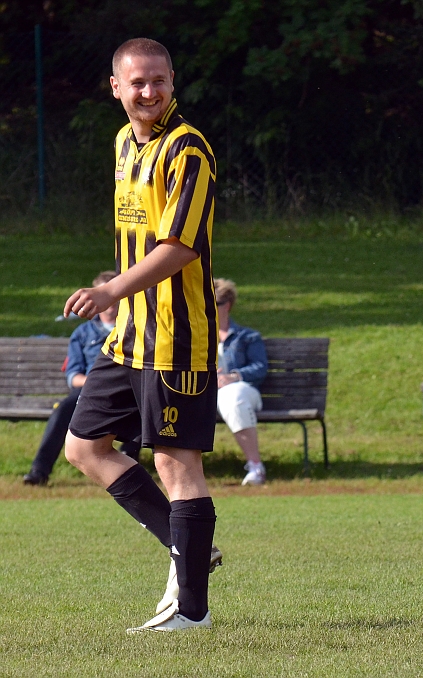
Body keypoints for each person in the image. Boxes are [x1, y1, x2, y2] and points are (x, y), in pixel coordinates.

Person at [62, 37, 220, 633]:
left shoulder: (189, 151)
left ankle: (192, 609)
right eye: (137, 83)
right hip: (127, 336)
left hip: (178, 338)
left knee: (178, 465)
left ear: (173, 81)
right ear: (116, 88)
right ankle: (191, 552)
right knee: (84, 448)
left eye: (159, 81)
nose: (149, 92)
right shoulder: (125, 142)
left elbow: (179, 248)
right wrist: (119, 304)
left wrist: (109, 291)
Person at [23, 272, 141, 485]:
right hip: (91, 390)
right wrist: (97, 383)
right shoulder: (83, 333)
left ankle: (129, 466)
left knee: (144, 403)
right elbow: (73, 376)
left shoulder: (135, 328)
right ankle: (38, 471)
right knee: (63, 409)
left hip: (129, 388)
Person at [213, 277, 269, 485]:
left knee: (233, 396)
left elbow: (259, 368)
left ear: (227, 305)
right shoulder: (196, 337)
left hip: (243, 391)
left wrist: (233, 377)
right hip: (206, 394)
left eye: (214, 304)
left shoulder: (247, 337)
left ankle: (255, 467)